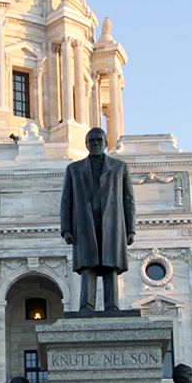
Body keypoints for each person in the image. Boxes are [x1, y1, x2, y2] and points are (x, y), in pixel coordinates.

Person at [59, 127, 135, 311]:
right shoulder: (74, 169)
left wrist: (130, 229)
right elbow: (66, 201)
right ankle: (87, 305)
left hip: (112, 223)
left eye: (99, 141)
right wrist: (66, 229)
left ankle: (112, 305)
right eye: (92, 141)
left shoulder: (119, 167)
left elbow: (128, 200)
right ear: (86, 144)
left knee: (110, 265)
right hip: (85, 223)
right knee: (88, 266)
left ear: (105, 143)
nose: (95, 144)